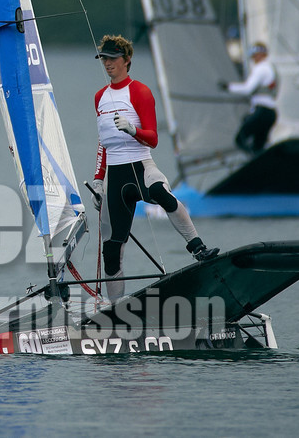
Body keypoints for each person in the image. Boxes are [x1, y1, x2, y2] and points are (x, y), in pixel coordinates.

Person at [91, 35, 215, 303]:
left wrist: (133, 130)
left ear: (126, 60)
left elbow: (154, 139)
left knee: (161, 193)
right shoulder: (100, 97)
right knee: (112, 253)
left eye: (112, 58)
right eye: (104, 58)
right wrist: (98, 179)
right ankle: (114, 310)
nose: (107, 63)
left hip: (141, 165)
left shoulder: (139, 92)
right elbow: (103, 143)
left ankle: (198, 248)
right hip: (116, 177)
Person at [224, 41, 278, 153]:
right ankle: (261, 165)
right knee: (259, 147)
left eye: (255, 54)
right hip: (270, 113)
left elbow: (247, 89)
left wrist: (229, 87)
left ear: (262, 54)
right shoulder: (271, 68)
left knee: (240, 139)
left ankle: (253, 160)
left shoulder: (261, 68)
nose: (254, 57)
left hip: (262, 111)